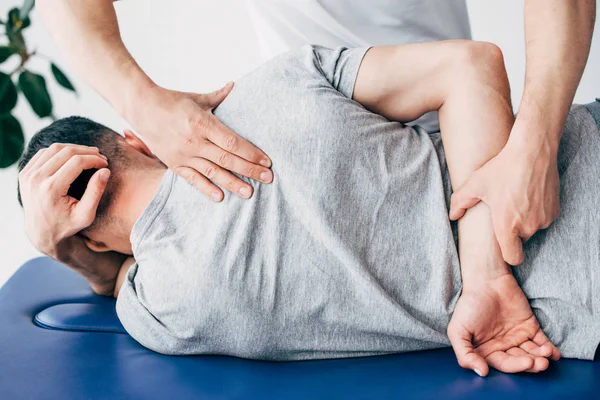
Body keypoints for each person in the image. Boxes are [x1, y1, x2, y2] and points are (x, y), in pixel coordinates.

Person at [18, 40, 600, 377]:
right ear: (136, 139)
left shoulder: (163, 311)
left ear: (84, 238)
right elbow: (472, 65)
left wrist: (57, 246)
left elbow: (112, 278)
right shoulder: (273, 83)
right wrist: (485, 272)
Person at [37, 0, 596, 266]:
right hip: (321, 125)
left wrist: (536, 145)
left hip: (458, 130)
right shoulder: (191, 266)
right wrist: (146, 103)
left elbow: (470, 70)